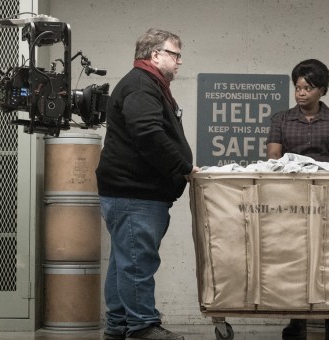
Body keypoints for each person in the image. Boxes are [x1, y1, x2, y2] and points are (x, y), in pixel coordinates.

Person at [95, 28, 200, 340]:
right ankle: (142, 326)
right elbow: (148, 134)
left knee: (123, 262)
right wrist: (184, 168)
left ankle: (118, 326)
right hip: (135, 194)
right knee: (138, 262)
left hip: (130, 193)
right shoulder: (142, 86)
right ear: (155, 54)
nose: (179, 62)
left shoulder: (146, 84)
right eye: (175, 54)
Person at [266, 59, 329, 340]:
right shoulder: (281, 119)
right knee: (296, 257)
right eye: (297, 87)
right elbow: (272, 158)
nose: (301, 93)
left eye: (307, 87)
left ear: (322, 90)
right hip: (291, 198)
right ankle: (298, 320)